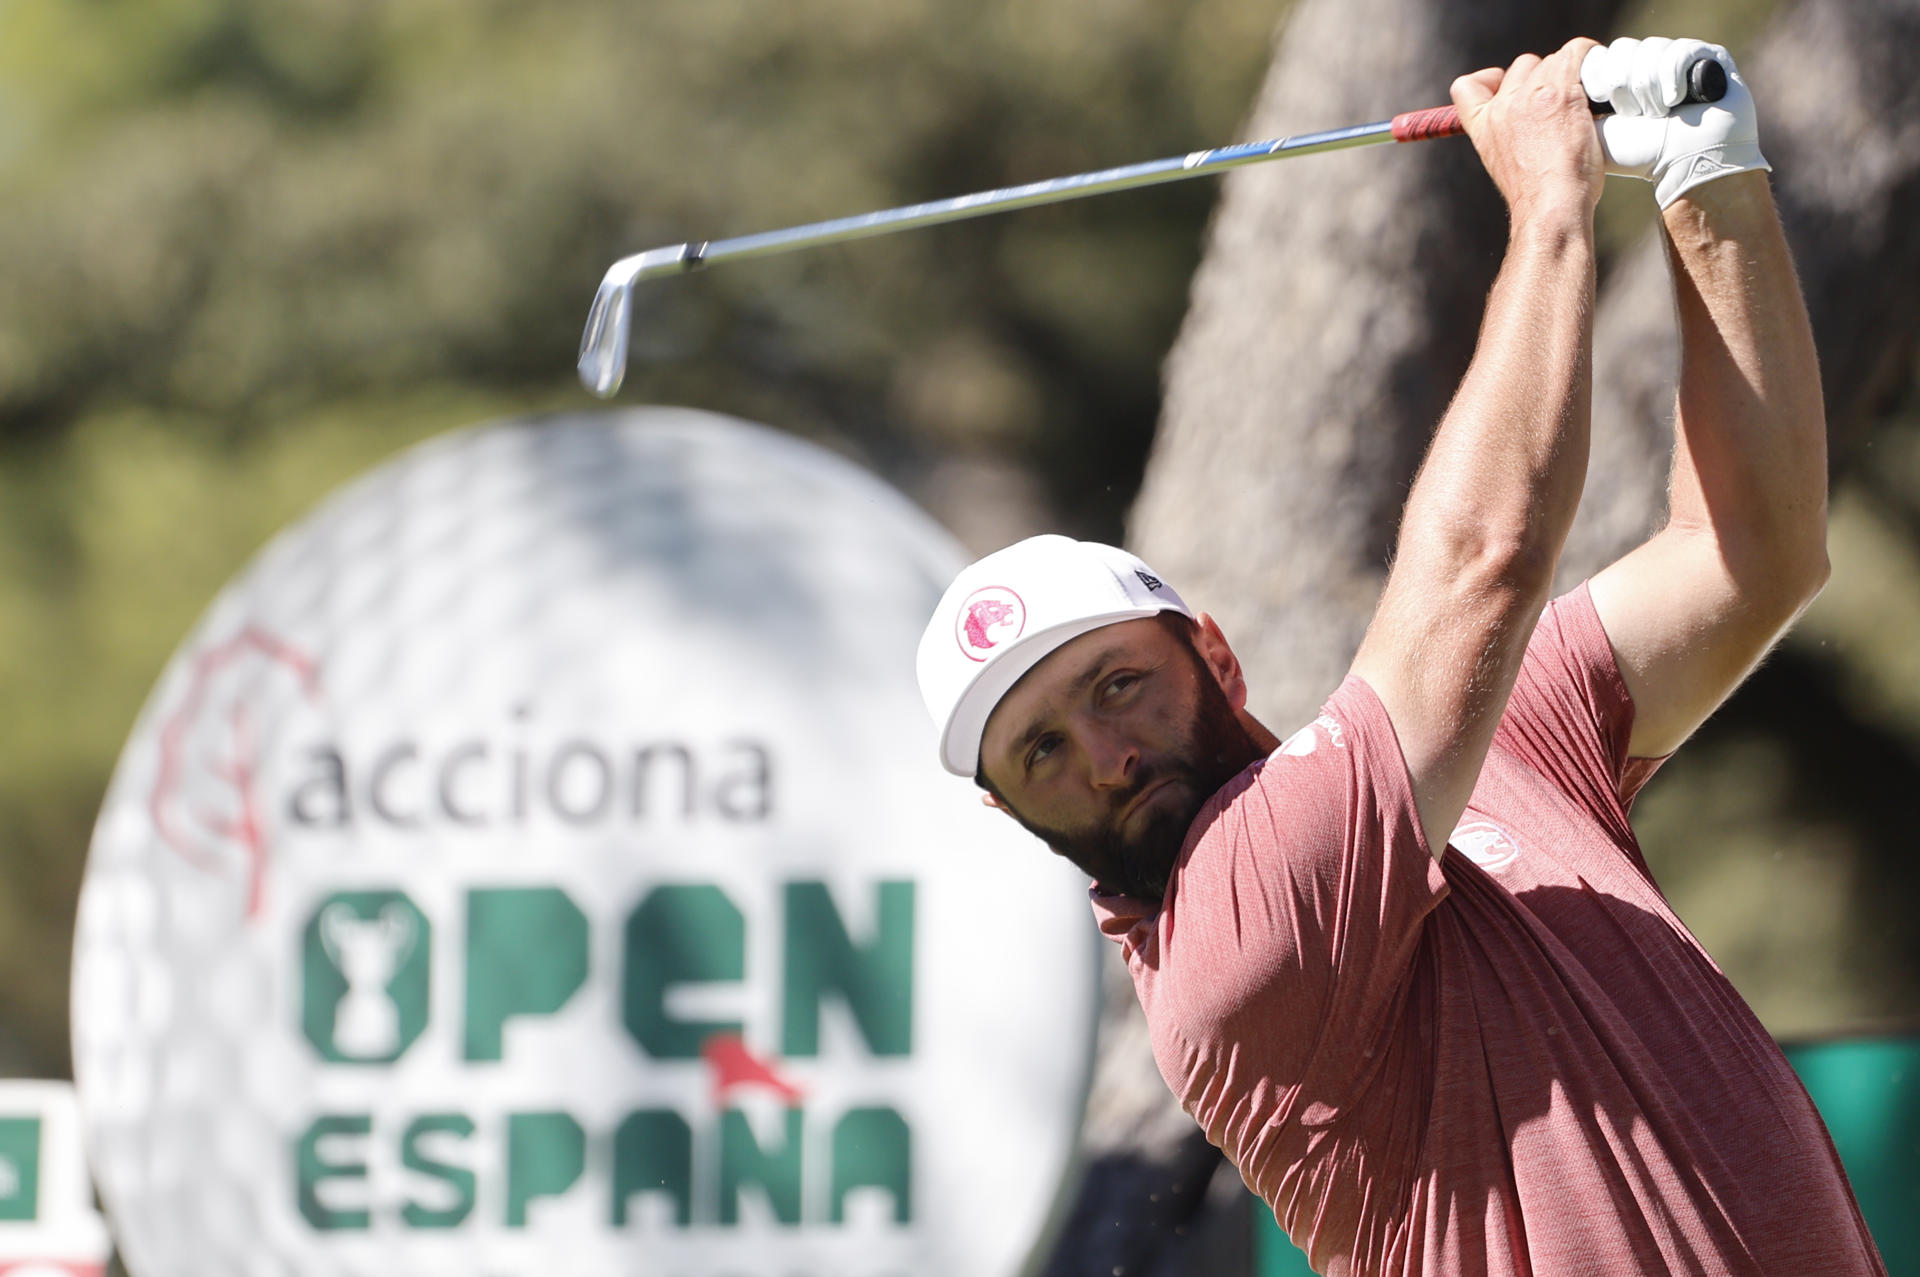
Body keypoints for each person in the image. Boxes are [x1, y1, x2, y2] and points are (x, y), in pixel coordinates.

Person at [915, 35, 1886, 1276]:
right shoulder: (1229, 942)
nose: (1105, 755)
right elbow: (1483, 565)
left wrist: (1712, 178)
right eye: (1042, 747)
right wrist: (1548, 206)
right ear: (1009, 808)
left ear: (1212, 649)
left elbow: (1749, 552)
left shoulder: (1479, 746)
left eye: (1119, 684)